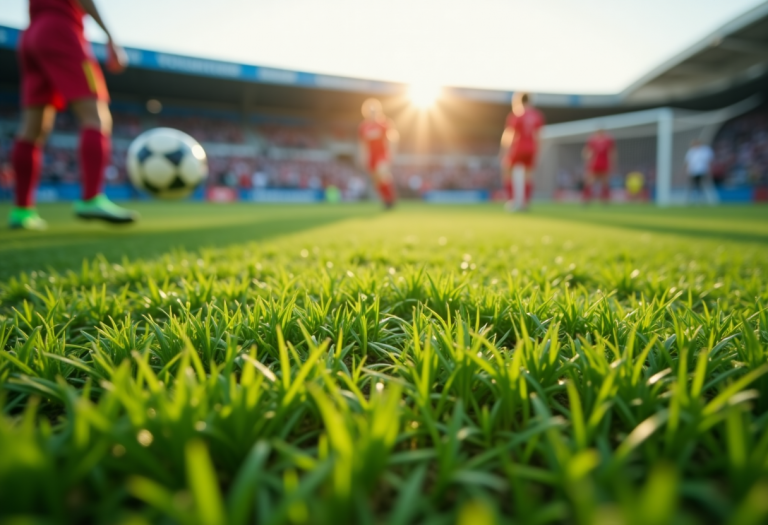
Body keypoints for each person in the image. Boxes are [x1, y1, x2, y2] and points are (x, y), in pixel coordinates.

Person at [9, 0, 138, 230]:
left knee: (32, 129)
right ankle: (91, 199)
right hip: (61, 30)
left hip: (30, 34)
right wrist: (110, 37)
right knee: (96, 116)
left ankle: (22, 211)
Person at [500, 92, 544, 211]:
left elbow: (510, 134)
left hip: (518, 147)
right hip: (532, 148)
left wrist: (504, 151)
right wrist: (538, 152)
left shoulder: (517, 114)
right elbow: (539, 136)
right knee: (528, 175)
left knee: (507, 170)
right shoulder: (537, 115)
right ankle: (526, 203)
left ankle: (512, 200)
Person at [358, 98, 399, 209]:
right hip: (371, 156)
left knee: (382, 173)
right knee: (377, 180)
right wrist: (363, 157)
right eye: (369, 110)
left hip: (382, 154)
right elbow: (363, 144)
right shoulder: (363, 127)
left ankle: (391, 198)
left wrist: (391, 154)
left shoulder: (384, 123)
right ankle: (386, 200)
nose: (372, 113)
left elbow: (392, 139)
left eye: (374, 110)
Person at [582, 128, 615, 203]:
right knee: (590, 181)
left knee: (604, 182)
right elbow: (587, 151)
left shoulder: (608, 140)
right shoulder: (592, 140)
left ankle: (605, 199)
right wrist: (587, 158)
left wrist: (612, 163)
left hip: (604, 163)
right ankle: (587, 198)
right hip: (595, 163)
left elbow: (611, 152)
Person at [684, 138, 716, 204]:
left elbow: (709, 160)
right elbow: (688, 162)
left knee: (705, 186)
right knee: (693, 187)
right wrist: (687, 171)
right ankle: (691, 201)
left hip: (703, 171)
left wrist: (709, 169)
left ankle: (707, 200)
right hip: (693, 172)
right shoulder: (691, 151)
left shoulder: (705, 150)